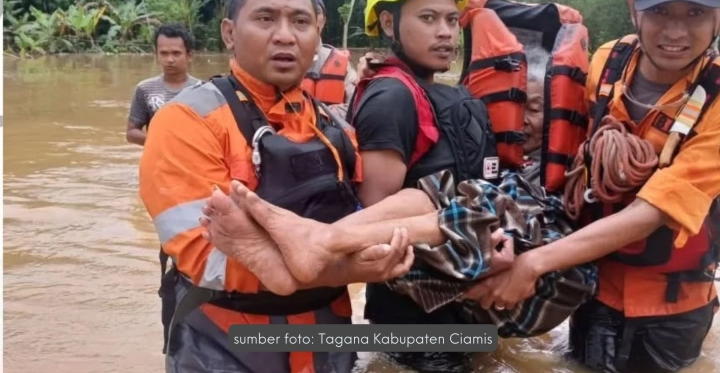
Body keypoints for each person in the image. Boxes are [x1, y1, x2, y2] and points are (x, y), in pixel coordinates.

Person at [459, 0, 720, 372]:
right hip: (592, 288)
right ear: (633, 9)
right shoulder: (607, 62)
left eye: (695, 13)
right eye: (660, 12)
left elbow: (653, 211)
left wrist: (533, 263)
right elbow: (564, 161)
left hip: (670, 311)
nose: (675, 32)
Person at [201, 43, 598, 342]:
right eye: (522, 107)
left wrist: (531, 261)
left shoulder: (569, 169)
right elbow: (384, 203)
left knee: (479, 206)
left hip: (543, 277)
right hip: (448, 293)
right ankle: (314, 244)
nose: (528, 121)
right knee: (431, 195)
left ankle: (315, 247)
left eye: (537, 109)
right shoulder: (419, 106)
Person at [138, 0, 412, 373]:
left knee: (416, 204)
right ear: (229, 32)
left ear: (317, 33)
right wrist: (344, 268)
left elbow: (368, 216)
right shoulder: (184, 121)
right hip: (225, 339)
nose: (285, 36)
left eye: (300, 22)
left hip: (327, 335)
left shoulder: (335, 126)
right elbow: (204, 257)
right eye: (265, 18)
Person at [346, 0, 499, 371]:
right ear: (390, 22)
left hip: (460, 303)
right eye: (428, 18)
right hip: (414, 317)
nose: (445, 33)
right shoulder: (392, 97)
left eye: (452, 20)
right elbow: (376, 225)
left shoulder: (431, 92)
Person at [126, 23, 199, 146]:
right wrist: (159, 141)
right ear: (156, 55)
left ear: (189, 56)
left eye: (176, 53)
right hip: (158, 162)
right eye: (164, 53)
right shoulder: (145, 89)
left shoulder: (203, 90)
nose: (169, 60)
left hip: (193, 161)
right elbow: (131, 133)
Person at [301, 0, 358, 114]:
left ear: (324, 20)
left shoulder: (341, 63)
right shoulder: (282, 60)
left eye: (317, 11)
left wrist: (321, 114)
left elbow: (357, 105)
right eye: (306, 12)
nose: (312, 17)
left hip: (333, 130)